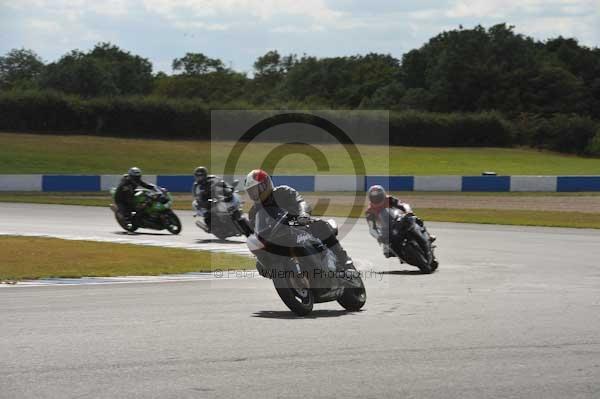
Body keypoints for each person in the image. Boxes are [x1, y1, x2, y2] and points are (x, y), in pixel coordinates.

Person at [244, 169, 352, 273]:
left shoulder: (282, 191)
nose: (254, 195)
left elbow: (300, 201)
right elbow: (256, 233)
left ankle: (344, 260)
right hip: (274, 237)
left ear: (266, 184)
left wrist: (303, 214)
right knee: (260, 266)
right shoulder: (253, 212)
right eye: (251, 192)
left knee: (321, 225)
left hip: (295, 223)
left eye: (256, 190)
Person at [365, 185, 435, 258]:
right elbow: (372, 228)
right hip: (385, 228)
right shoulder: (369, 211)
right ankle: (401, 254)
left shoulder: (389, 199)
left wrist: (408, 211)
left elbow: (403, 205)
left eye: (378, 197)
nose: (376, 199)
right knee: (387, 252)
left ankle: (428, 236)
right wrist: (379, 237)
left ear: (383, 195)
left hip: (398, 219)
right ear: (370, 198)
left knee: (416, 219)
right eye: (374, 197)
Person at [192, 166, 233, 231]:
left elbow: (222, 182)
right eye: (198, 176)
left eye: (201, 176)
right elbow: (197, 197)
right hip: (206, 202)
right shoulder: (197, 186)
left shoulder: (213, 178)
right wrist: (204, 203)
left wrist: (228, 187)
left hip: (218, 197)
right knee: (207, 214)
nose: (199, 178)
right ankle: (210, 227)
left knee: (229, 201)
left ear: (205, 175)